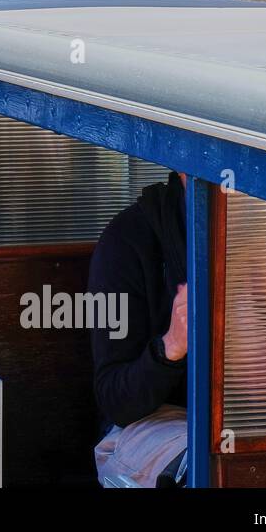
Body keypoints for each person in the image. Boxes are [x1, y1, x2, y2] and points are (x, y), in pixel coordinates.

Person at [88, 171, 189, 488]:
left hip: (253, 427)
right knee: (205, 464)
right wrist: (172, 347)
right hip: (153, 421)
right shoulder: (129, 238)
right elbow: (115, 400)